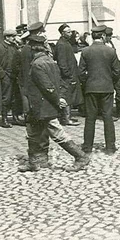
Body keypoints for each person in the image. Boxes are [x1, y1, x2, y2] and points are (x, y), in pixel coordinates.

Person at [20, 33, 90, 172]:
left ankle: (81, 157)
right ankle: (36, 162)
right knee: (34, 133)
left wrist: (57, 100)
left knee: (57, 133)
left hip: (42, 106)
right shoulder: (50, 61)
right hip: (42, 106)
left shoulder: (37, 65)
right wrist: (60, 98)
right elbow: (58, 82)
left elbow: (48, 87)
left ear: (33, 49)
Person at [78, 24, 120, 155]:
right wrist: (109, 80)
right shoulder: (111, 51)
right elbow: (117, 72)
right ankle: (110, 147)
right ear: (103, 36)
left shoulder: (85, 51)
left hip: (91, 88)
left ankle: (87, 147)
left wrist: (88, 82)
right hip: (107, 88)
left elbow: (80, 72)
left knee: (90, 118)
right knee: (108, 117)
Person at [0, 28, 20, 128]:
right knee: (6, 98)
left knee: (15, 97)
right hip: (6, 76)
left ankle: (15, 117)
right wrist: (3, 75)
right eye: (12, 36)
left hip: (15, 76)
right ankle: (5, 119)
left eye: (14, 36)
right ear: (7, 37)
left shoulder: (14, 46)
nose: (14, 38)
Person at [54, 23, 82, 126]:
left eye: (70, 31)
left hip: (70, 74)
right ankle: (65, 118)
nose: (71, 34)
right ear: (62, 33)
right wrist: (68, 74)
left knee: (70, 95)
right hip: (67, 76)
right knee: (66, 95)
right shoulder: (61, 44)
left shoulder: (66, 42)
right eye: (68, 32)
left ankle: (68, 116)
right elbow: (62, 62)